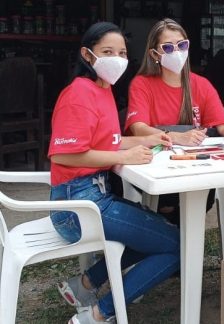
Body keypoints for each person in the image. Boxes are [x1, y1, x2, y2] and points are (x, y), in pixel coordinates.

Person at [48, 22, 180, 324]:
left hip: (93, 198)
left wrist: (146, 139)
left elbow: (105, 141)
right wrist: (124, 155)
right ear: (87, 54)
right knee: (175, 246)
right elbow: (64, 152)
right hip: (78, 206)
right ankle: (98, 314)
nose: (117, 59)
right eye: (108, 52)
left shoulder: (102, 90)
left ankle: (84, 286)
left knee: (162, 232)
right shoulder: (78, 93)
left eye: (122, 53)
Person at [125, 18, 224, 223]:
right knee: (170, 202)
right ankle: (173, 238)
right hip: (155, 168)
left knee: (201, 195)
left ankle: (177, 239)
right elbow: (138, 128)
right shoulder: (142, 84)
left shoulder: (201, 85)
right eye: (168, 47)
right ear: (155, 54)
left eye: (182, 45)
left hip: (196, 170)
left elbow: (222, 124)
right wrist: (175, 137)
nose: (177, 52)